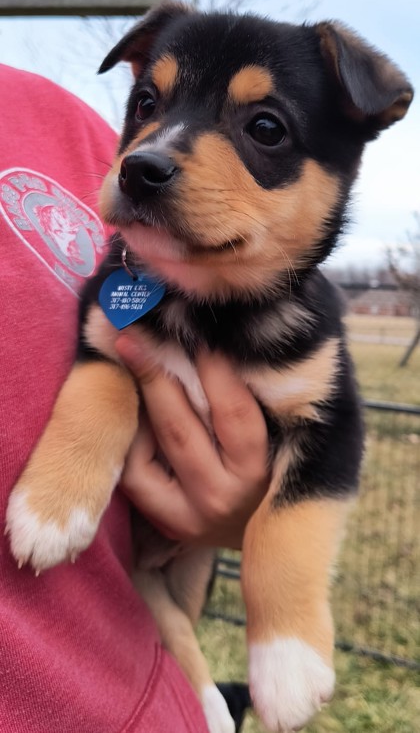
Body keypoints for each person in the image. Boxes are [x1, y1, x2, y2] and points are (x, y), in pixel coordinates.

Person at [0, 64, 269, 732]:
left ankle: (194, 666)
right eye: (148, 101)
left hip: (149, 681)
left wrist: (249, 506)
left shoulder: (70, 126)